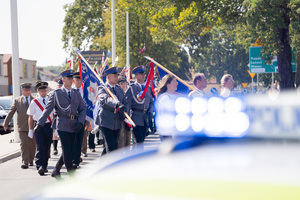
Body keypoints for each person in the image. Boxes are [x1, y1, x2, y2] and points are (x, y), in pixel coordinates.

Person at [34, 69, 86, 177]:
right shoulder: (56, 94)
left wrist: (81, 122)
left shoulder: (76, 93)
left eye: (72, 78)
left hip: (75, 125)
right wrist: (39, 124)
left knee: (70, 150)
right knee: (67, 150)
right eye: (68, 78)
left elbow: (83, 109)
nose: (71, 80)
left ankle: (56, 169)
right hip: (63, 125)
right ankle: (70, 171)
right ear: (63, 80)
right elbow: (47, 110)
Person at [3, 83, 36, 169]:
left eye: (29, 90)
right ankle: (25, 162)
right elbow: (11, 112)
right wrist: (6, 123)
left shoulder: (35, 100)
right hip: (22, 127)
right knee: (24, 144)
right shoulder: (17, 101)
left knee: (32, 145)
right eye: (25, 90)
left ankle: (31, 159)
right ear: (22, 91)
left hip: (33, 126)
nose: (28, 91)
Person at [96, 67, 127, 154]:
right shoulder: (102, 88)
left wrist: (124, 112)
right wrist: (117, 104)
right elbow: (105, 100)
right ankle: (111, 167)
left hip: (117, 121)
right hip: (106, 120)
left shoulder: (119, 89)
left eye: (117, 76)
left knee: (111, 146)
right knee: (111, 147)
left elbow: (125, 102)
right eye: (114, 76)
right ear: (108, 78)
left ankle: (102, 165)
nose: (117, 78)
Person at [27, 81, 54, 175]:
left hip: (48, 125)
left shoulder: (51, 100)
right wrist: (30, 130)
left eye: (45, 90)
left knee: (47, 147)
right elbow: (30, 116)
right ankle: (40, 166)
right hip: (38, 126)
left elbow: (54, 115)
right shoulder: (34, 102)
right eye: (41, 90)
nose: (43, 92)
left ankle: (45, 165)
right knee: (40, 147)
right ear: (38, 91)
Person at [125, 66, 154, 150]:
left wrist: (150, 111)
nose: (143, 75)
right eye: (141, 74)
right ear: (136, 76)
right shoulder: (131, 88)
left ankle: (133, 158)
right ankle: (139, 160)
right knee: (139, 142)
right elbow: (127, 104)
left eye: (144, 74)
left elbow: (151, 102)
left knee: (141, 141)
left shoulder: (147, 88)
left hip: (145, 118)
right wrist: (127, 119)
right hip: (135, 117)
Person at [156, 74, 179, 141]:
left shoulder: (174, 96)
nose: (177, 83)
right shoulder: (165, 98)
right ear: (168, 84)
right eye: (174, 81)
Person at [72, 71, 87, 168]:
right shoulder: (71, 91)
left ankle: (76, 160)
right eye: (77, 80)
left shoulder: (85, 91)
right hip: (72, 120)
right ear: (74, 81)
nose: (78, 82)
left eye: (80, 80)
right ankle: (72, 159)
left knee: (80, 140)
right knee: (73, 141)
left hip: (82, 119)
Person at [117, 77, 131, 149]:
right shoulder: (117, 92)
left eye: (124, 83)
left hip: (128, 117)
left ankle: (127, 154)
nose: (123, 85)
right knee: (120, 138)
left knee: (127, 137)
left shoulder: (130, 92)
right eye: (121, 84)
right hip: (120, 117)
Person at [52, 78, 63, 155]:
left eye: (61, 85)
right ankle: (55, 148)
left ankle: (63, 148)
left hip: (63, 117)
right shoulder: (54, 94)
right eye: (59, 85)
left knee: (63, 134)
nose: (60, 87)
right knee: (55, 134)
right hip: (55, 116)